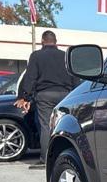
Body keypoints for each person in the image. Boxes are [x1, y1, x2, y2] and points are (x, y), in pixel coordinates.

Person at [15, 31, 77, 169]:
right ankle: (66, 156)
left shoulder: (36, 56)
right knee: (65, 126)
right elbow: (75, 77)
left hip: (45, 95)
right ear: (56, 41)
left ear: (42, 41)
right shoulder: (65, 56)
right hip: (66, 95)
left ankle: (45, 159)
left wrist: (25, 97)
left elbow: (30, 77)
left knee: (46, 126)